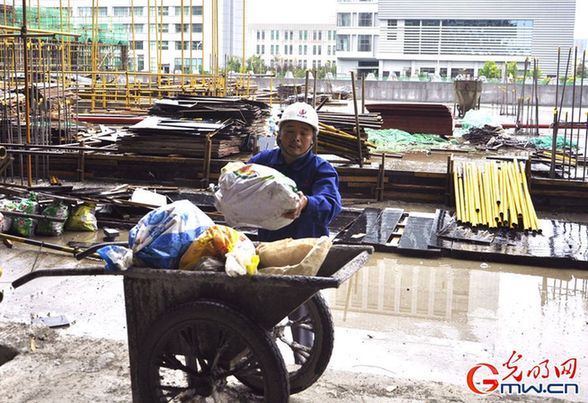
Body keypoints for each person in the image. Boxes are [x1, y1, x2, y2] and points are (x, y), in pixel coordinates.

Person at [248, 102, 342, 242]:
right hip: (269, 246)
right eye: (290, 131)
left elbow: (331, 204)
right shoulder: (263, 161)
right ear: (279, 135)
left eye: (304, 133)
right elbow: (239, 180)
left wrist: (306, 203)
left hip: (307, 249)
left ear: (312, 140)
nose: (296, 138)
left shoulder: (322, 169)